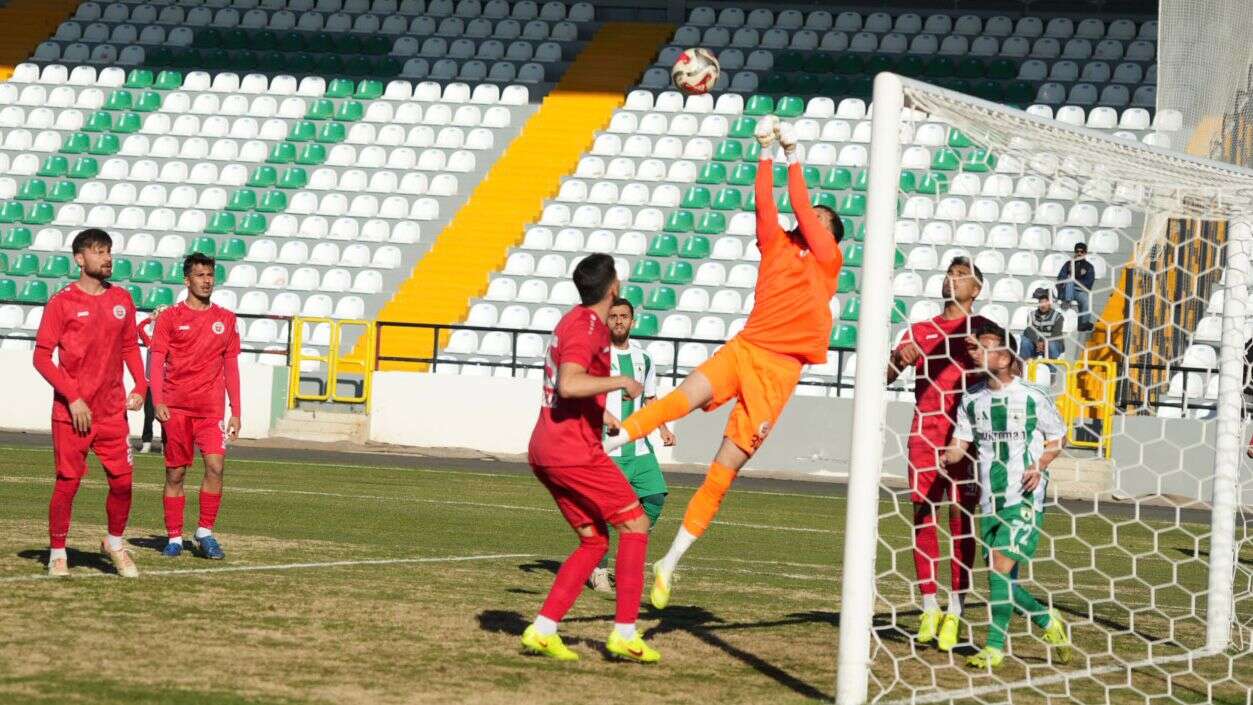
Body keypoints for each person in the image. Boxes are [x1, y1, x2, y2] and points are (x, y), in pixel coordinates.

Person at [603, 116, 844, 610]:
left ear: (834, 236)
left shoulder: (827, 259)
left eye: (823, 218)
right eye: (813, 216)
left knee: (723, 471)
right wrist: (763, 154)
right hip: (745, 348)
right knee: (680, 399)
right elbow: (767, 205)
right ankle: (612, 442)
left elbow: (797, 201)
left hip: (778, 374)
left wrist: (791, 154)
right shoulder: (778, 244)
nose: (813, 218)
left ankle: (669, 562)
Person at [520, 253, 660, 663]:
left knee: (595, 541)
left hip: (547, 447)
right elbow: (569, 383)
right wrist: (623, 381)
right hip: (572, 451)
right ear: (613, 287)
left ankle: (543, 630)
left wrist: (605, 414)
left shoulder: (575, 320)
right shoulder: (586, 327)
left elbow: (572, 389)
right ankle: (624, 634)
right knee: (636, 525)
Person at [943, 322, 1071, 669]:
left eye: (986, 345)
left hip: (1024, 496)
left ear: (1006, 354)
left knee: (999, 569)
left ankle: (994, 648)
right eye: (976, 348)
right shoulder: (971, 399)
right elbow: (961, 443)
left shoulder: (1032, 395)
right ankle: (1048, 621)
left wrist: (1039, 465)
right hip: (990, 499)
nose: (978, 353)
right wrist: (948, 455)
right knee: (1001, 580)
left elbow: (1058, 437)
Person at [885, 256, 991, 651]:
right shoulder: (921, 330)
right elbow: (886, 375)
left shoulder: (983, 330)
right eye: (951, 272)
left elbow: (1007, 369)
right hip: (924, 434)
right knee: (922, 515)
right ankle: (929, 605)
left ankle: (956, 611)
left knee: (961, 520)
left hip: (966, 438)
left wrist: (985, 354)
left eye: (962, 275)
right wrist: (899, 360)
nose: (953, 278)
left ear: (976, 289)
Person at [32, 228, 147, 578]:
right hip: (72, 413)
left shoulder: (122, 300)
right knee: (68, 481)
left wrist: (141, 384)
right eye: (99, 251)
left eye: (109, 251)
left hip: (112, 411)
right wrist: (73, 397)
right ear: (80, 259)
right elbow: (41, 357)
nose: (107, 257)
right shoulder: (62, 302)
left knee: (123, 483)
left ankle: (113, 542)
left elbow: (129, 347)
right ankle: (57, 552)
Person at [149, 253, 241, 560]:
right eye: (200, 275)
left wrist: (236, 410)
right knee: (176, 474)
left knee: (216, 467)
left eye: (210, 275)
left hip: (211, 411)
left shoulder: (226, 319)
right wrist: (158, 400)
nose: (207, 280)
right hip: (176, 408)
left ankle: (205, 532)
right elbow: (157, 359)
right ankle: (174, 537)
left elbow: (231, 366)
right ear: (187, 280)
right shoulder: (170, 318)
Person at [588, 297, 676, 592]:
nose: (618, 321)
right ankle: (599, 569)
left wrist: (663, 427)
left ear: (632, 320)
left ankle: (627, 546)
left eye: (624, 316)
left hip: (639, 448)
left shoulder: (644, 358)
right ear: (607, 321)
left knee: (655, 498)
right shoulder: (597, 357)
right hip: (609, 449)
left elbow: (650, 398)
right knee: (602, 511)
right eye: (613, 316)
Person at [135, 306, 166, 454]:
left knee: (166, 417)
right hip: (151, 385)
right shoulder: (151, 342)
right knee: (149, 415)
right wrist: (151, 318)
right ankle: (146, 442)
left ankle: (165, 444)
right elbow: (139, 328)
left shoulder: (173, 342)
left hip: (167, 386)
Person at [1056, 242, 1095, 332]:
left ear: (1085, 253)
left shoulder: (1089, 267)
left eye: (1082, 251)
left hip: (1079, 291)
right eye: (1077, 251)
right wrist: (1071, 277)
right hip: (1066, 290)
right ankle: (1067, 301)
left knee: (1087, 301)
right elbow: (1060, 277)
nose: (1079, 253)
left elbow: (1089, 283)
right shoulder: (1068, 264)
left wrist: (1075, 281)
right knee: (1069, 279)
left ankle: (1083, 323)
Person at [1019, 288, 1065, 362]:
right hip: (1036, 344)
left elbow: (1056, 334)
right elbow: (1029, 330)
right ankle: (1023, 366)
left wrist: (1043, 343)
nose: (1043, 305)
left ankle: (1051, 370)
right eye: (1041, 303)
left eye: (1045, 303)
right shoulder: (1032, 315)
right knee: (1024, 340)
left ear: (1050, 304)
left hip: (1053, 344)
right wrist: (1037, 343)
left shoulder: (1058, 316)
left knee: (1051, 344)